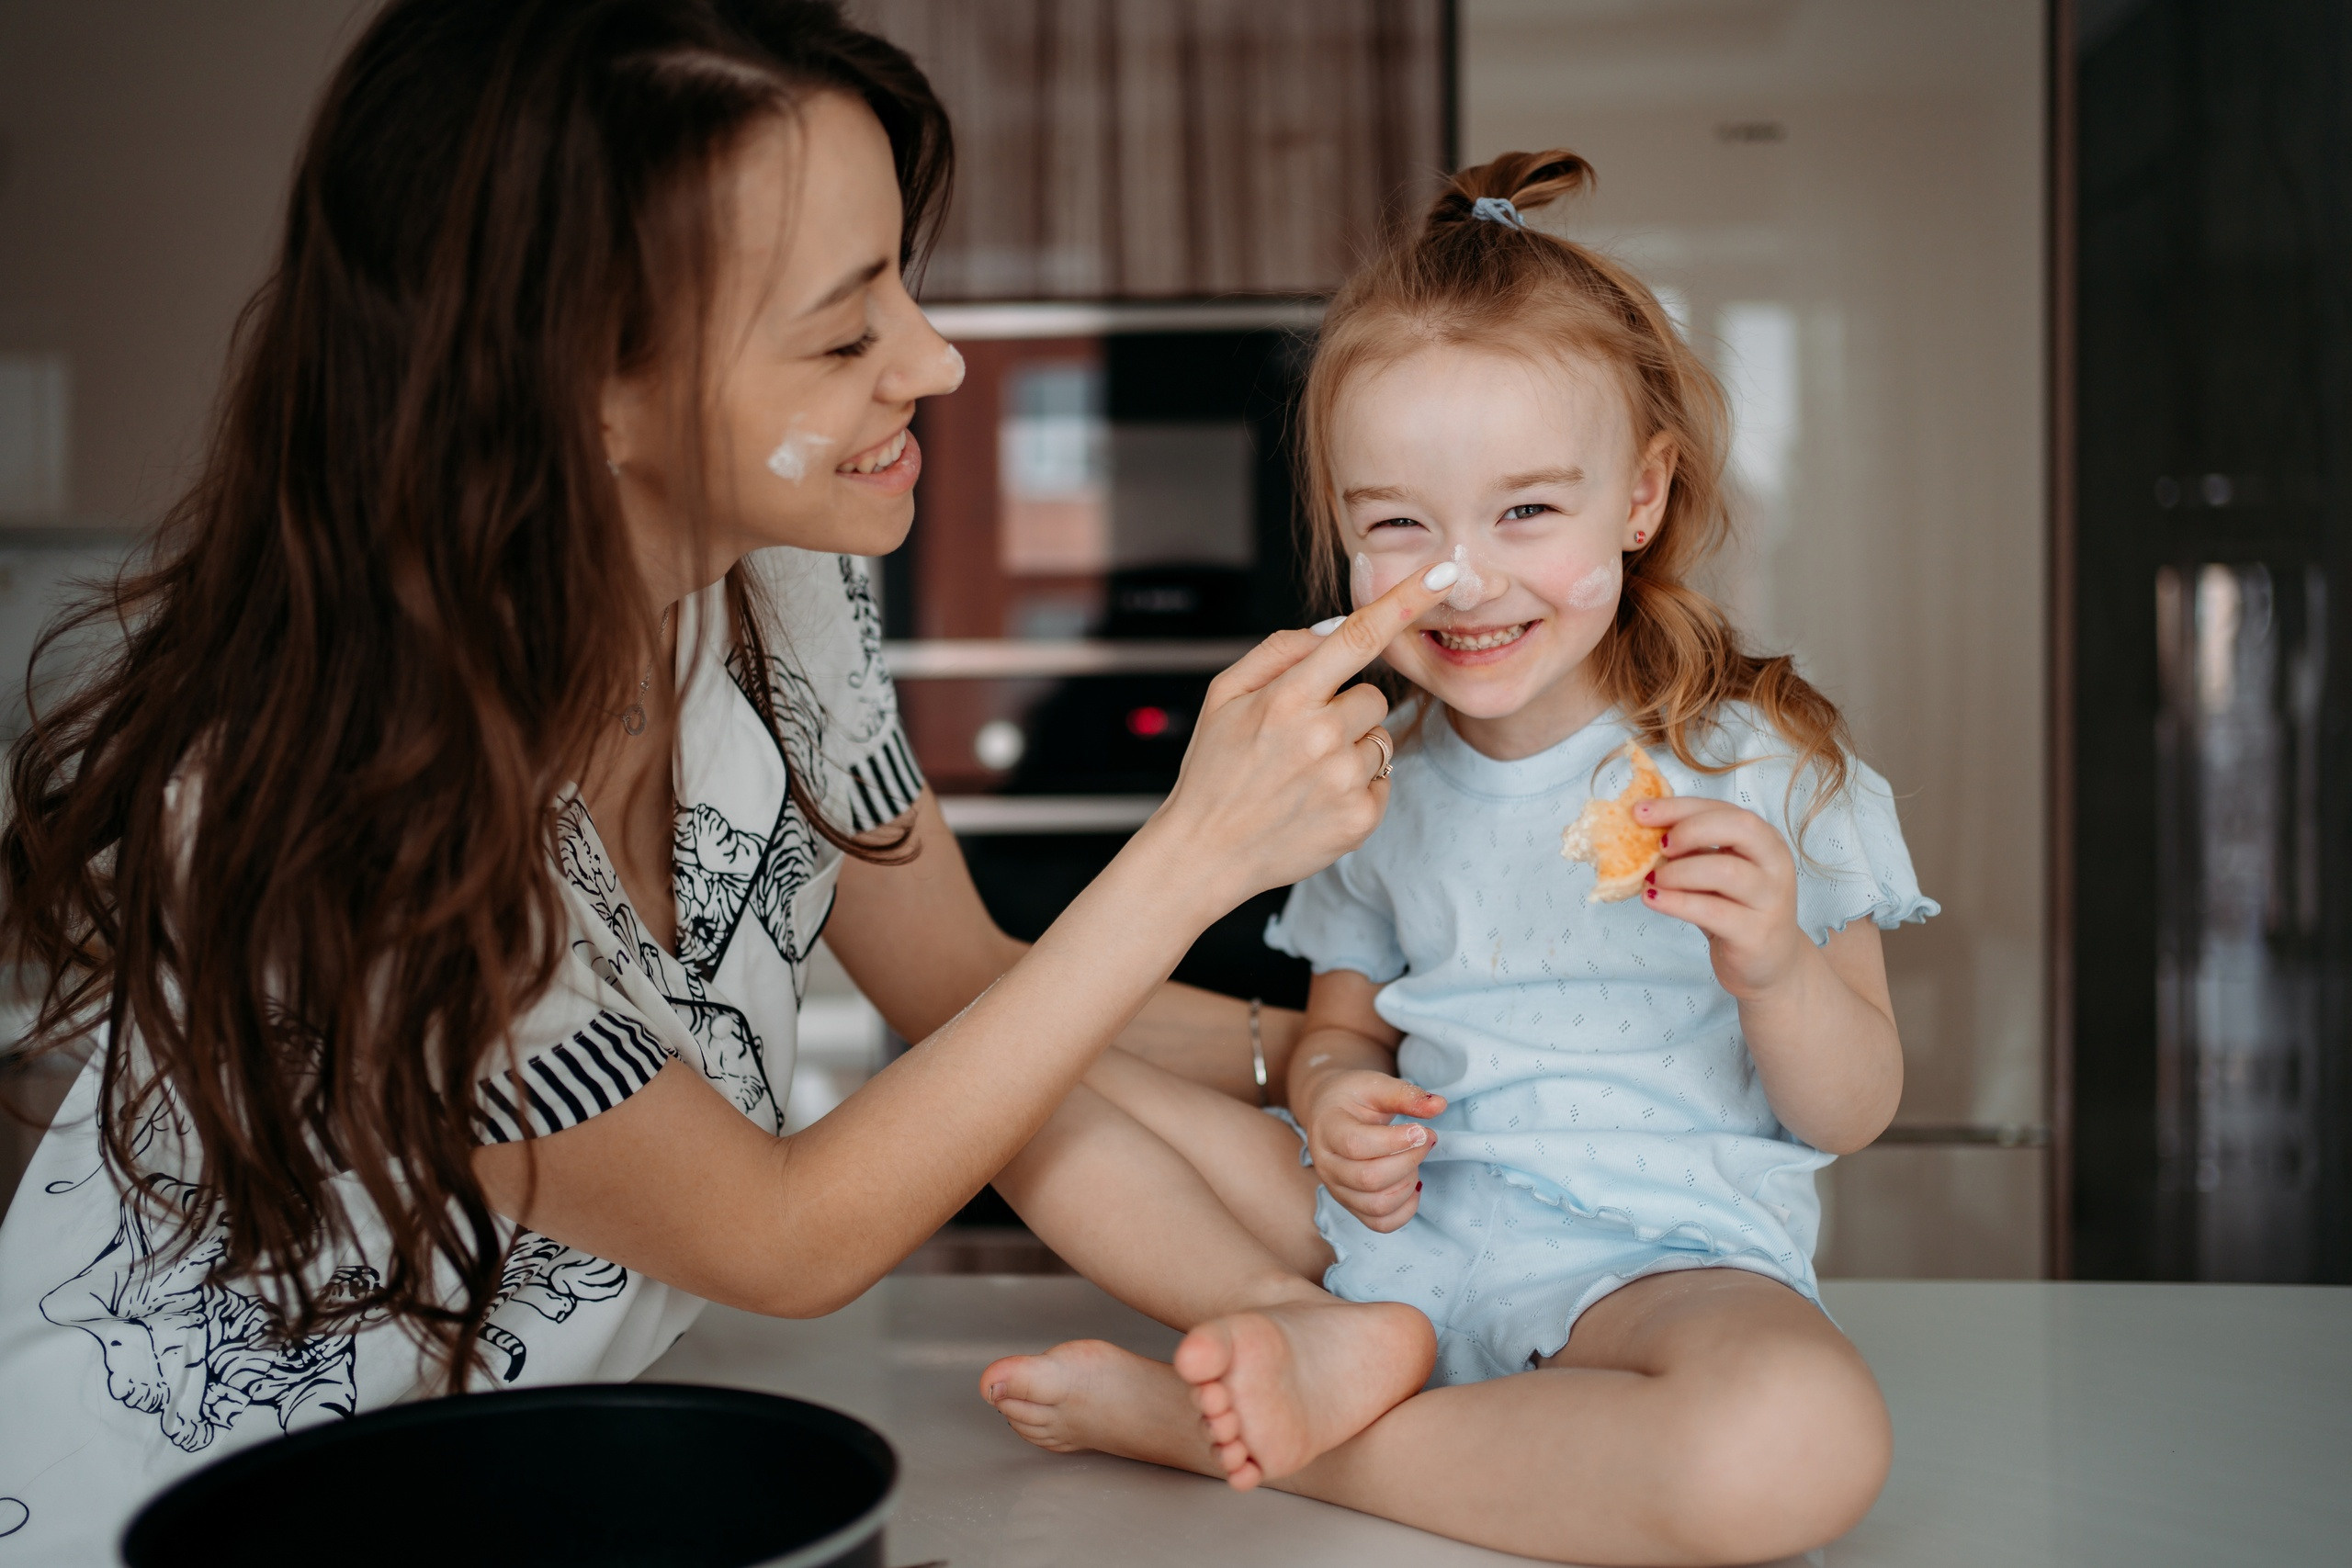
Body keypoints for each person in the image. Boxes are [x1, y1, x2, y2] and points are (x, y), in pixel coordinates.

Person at [0, 4, 1440, 1559]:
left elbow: (969, 982)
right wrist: (1198, 853)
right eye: (843, 332)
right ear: (587, 391)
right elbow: (783, 1231)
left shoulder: (769, 587)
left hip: (522, 1488)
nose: (936, 359)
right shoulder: (346, 824)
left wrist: (1357, 1056)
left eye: (902, 277)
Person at [977, 152, 1939, 1565]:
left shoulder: (1775, 769)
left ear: (1642, 495)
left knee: (1803, 1437)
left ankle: (1262, 1432)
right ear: (1342, 533)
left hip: (1654, 1272)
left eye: (1527, 512)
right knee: (1006, 1084)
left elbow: (1853, 1109)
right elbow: (1338, 1041)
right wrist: (1342, 1097)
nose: (1464, 578)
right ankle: (1323, 1341)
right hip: (1390, 1248)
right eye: (1398, 527)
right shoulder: (1372, 781)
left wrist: (1778, 964)